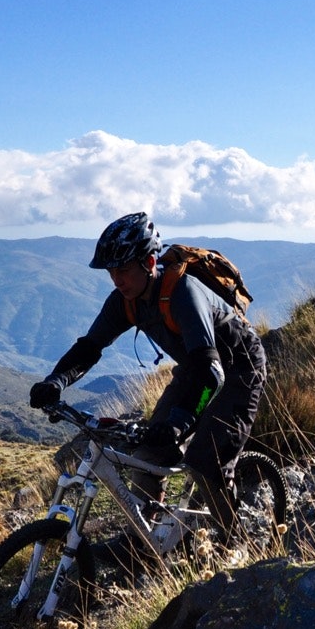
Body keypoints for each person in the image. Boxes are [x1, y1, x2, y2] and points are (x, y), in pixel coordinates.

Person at [28, 212, 267, 538]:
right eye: (111, 271)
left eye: (123, 269)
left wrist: (181, 421)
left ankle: (237, 541)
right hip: (195, 369)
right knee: (148, 454)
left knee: (205, 462)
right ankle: (144, 543)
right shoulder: (125, 301)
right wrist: (55, 382)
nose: (116, 279)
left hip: (239, 369)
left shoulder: (183, 292)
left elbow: (212, 373)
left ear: (150, 261)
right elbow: (89, 347)